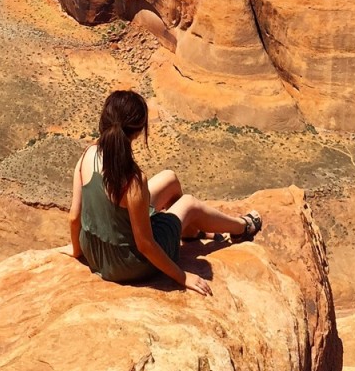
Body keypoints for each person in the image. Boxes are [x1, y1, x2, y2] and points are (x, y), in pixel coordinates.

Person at [69, 89, 262, 296]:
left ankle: (189, 234)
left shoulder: (87, 155)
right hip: (128, 264)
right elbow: (144, 245)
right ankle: (242, 227)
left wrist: (78, 251)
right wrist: (182, 276)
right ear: (138, 131)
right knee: (189, 204)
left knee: (169, 178)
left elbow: (74, 217)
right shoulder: (133, 180)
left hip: (95, 252)